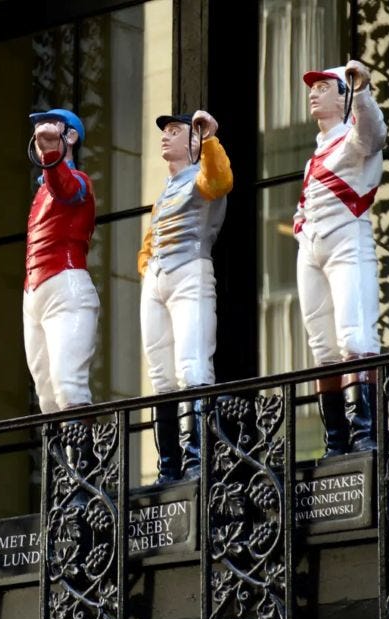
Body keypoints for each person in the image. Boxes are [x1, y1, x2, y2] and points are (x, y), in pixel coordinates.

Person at [294, 61, 386, 458]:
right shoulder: (315, 154)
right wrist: (301, 228)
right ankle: (336, 440)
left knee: (355, 336)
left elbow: (373, 133)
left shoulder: (354, 137)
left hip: (348, 240)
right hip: (312, 247)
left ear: (343, 97)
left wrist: (362, 92)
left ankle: (364, 434)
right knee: (322, 346)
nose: (313, 94)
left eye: (323, 87)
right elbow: (305, 204)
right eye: (312, 88)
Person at [137, 110, 233, 483]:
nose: (165, 136)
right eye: (165, 131)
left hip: (190, 270)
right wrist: (146, 265)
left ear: (193, 142)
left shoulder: (202, 175)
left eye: (175, 131)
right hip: (158, 279)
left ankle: (197, 461)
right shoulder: (165, 189)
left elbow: (220, 179)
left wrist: (210, 139)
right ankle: (169, 466)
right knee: (160, 375)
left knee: (192, 365)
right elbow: (153, 235)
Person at [23, 108, 99, 415]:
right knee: (46, 393)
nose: (42, 133)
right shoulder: (43, 189)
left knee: (68, 383)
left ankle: (80, 449)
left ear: (71, 136)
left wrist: (52, 155)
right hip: (35, 292)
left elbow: (65, 187)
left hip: (66, 285)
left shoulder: (78, 180)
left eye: (52, 127)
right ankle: (57, 448)